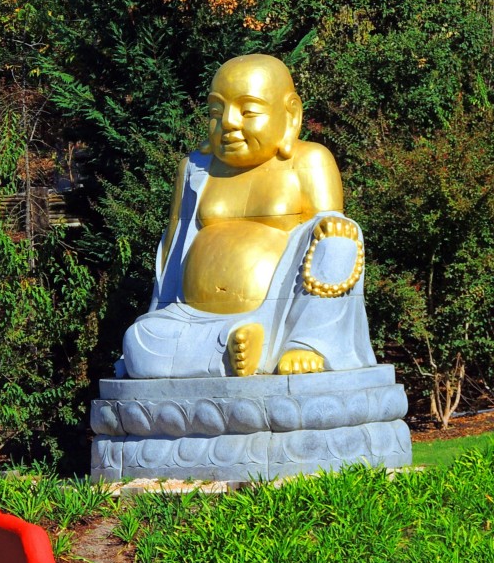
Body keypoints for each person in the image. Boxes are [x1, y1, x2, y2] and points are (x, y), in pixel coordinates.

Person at [120, 54, 376, 378]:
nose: (228, 122)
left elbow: (330, 238)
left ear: (291, 114)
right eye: (216, 111)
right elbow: (170, 257)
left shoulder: (309, 160)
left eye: (248, 111)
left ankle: (307, 343)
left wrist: (333, 226)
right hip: (194, 319)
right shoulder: (195, 169)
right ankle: (231, 347)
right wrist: (156, 314)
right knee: (139, 341)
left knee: (340, 237)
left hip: (282, 314)